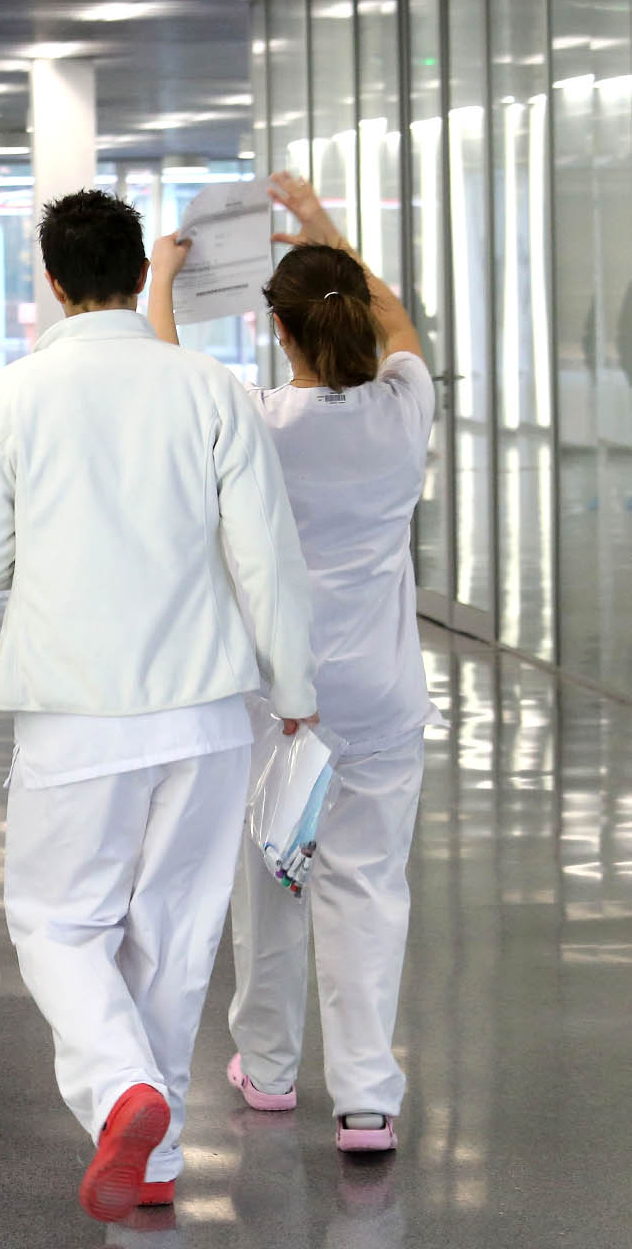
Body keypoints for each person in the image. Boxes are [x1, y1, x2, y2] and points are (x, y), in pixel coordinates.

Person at [0, 190, 316, 1223]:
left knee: (58, 922)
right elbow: (265, 553)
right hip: (204, 713)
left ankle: (124, 1093)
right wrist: (294, 688)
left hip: (74, 709)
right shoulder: (210, 387)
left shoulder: (15, 395)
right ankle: (152, 1161)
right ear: (138, 273)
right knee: (176, 933)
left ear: (53, 281)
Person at [149, 171, 441, 1156]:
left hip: (276, 696)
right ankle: (365, 1099)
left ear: (277, 330)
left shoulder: (259, 422)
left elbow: (168, 380)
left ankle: (269, 1068)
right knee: (370, 886)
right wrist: (320, 225)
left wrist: (163, 280)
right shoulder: (404, 405)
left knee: (273, 876)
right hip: (381, 698)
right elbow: (396, 322)